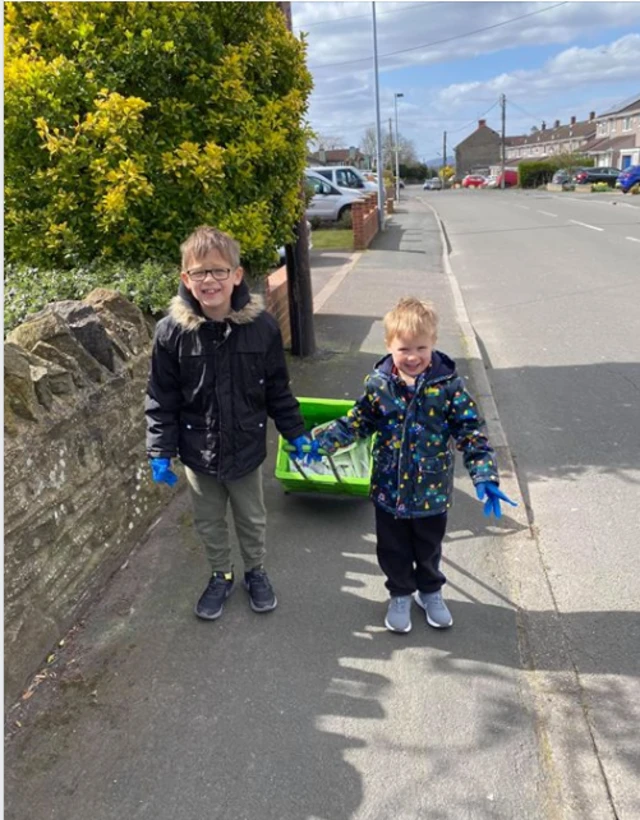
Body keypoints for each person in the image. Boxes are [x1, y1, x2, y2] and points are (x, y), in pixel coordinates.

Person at [313, 296, 516, 633]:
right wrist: (318, 445)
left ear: (433, 343)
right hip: (388, 490)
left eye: (421, 347)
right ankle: (401, 593)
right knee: (392, 548)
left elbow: (470, 431)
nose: (413, 357)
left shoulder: (448, 387)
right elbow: (357, 422)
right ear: (390, 346)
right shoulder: (379, 385)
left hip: (431, 492)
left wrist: (484, 475)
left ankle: (430, 591)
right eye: (404, 348)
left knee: (429, 547)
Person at [145, 226, 312, 621]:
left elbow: (278, 391)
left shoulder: (263, 328)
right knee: (208, 521)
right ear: (186, 278)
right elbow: (161, 397)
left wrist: (297, 434)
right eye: (200, 272)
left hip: (246, 447)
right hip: (197, 452)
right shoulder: (171, 334)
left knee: (252, 518)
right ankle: (221, 573)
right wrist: (159, 450)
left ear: (237, 275)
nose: (210, 281)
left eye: (219, 271)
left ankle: (255, 570)